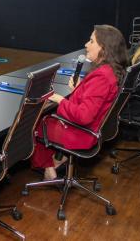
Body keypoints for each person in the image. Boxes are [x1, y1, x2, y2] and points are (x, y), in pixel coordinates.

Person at [31, 25, 128, 179]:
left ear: (104, 48)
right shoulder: (109, 71)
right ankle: (58, 160)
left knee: (36, 123)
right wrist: (79, 88)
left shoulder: (102, 77)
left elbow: (83, 116)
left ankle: (49, 168)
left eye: (91, 41)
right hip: (93, 131)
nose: (86, 45)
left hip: (81, 135)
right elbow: (93, 101)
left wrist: (59, 99)